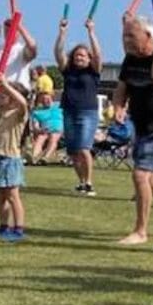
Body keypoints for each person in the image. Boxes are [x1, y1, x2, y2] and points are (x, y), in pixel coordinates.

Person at [110, 16, 153, 245]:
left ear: (148, 36)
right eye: (124, 35)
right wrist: (118, 107)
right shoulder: (130, 59)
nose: (125, 40)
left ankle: (141, 231)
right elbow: (122, 88)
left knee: (140, 176)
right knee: (152, 183)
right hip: (140, 125)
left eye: (130, 35)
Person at [54, 17, 102, 196]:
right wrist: (62, 33)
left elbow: (98, 55)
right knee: (73, 151)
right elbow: (58, 52)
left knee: (83, 148)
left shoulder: (93, 71)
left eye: (83, 55)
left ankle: (89, 182)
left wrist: (91, 32)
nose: (79, 58)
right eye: (76, 55)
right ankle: (81, 182)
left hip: (87, 112)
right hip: (69, 111)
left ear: (89, 58)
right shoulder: (68, 71)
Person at [0, 78, 30, 242]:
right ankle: (3, 226)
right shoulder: (0, 111)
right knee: (0, 196)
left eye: (4, 95)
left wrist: (6, 85)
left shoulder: (19, 113)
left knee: (12, 196)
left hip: (9, 159)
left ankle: (18, 229)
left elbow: (23, 102)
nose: (0, 96)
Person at [29, 93, 64, 164]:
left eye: (48, 99)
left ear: (52, 98)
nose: (46, 101)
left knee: (53, 137)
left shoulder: (60, 106)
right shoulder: (37, 112)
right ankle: (34, 157)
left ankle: (46, 158)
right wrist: (40, 130)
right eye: (44, 99)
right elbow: (35, 126)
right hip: (44, 131)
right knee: (40, 138)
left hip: (57, 129)